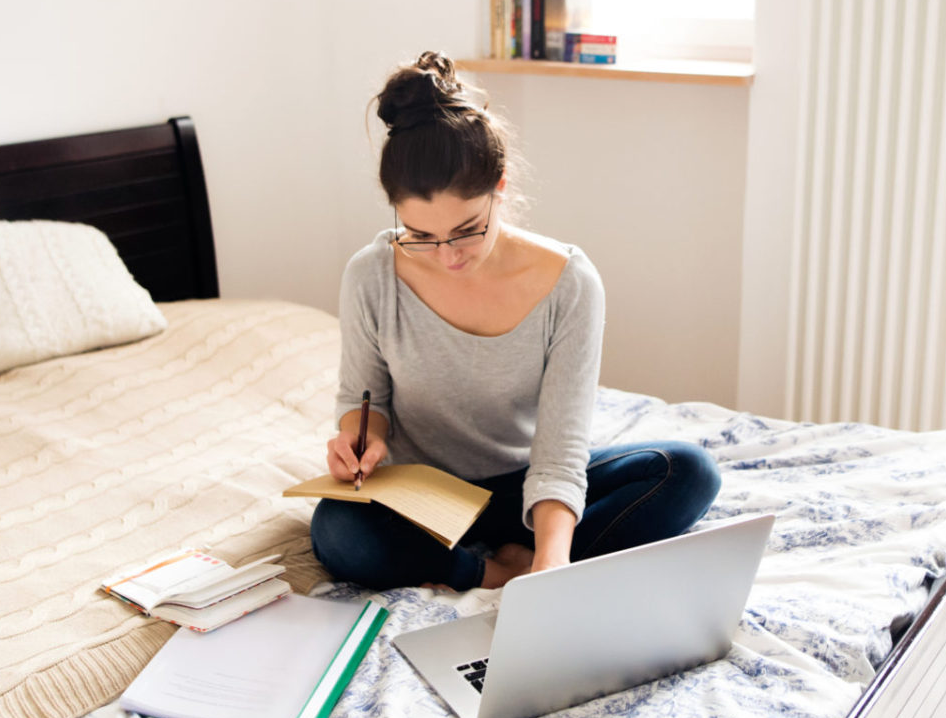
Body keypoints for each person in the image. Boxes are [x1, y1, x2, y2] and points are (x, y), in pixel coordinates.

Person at [309, 51, 721, 592]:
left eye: (467, 229)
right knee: (339, 531)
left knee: (688, 473)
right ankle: (492, 571)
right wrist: (360, 441)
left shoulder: (568, 282)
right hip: (422, 497)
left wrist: (552, 560)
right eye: (421, 236)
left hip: (529, 484)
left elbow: (560, 451)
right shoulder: (371, 275)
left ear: (499, 185)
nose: (447, 256)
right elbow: (366, 403)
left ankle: (529, 557)